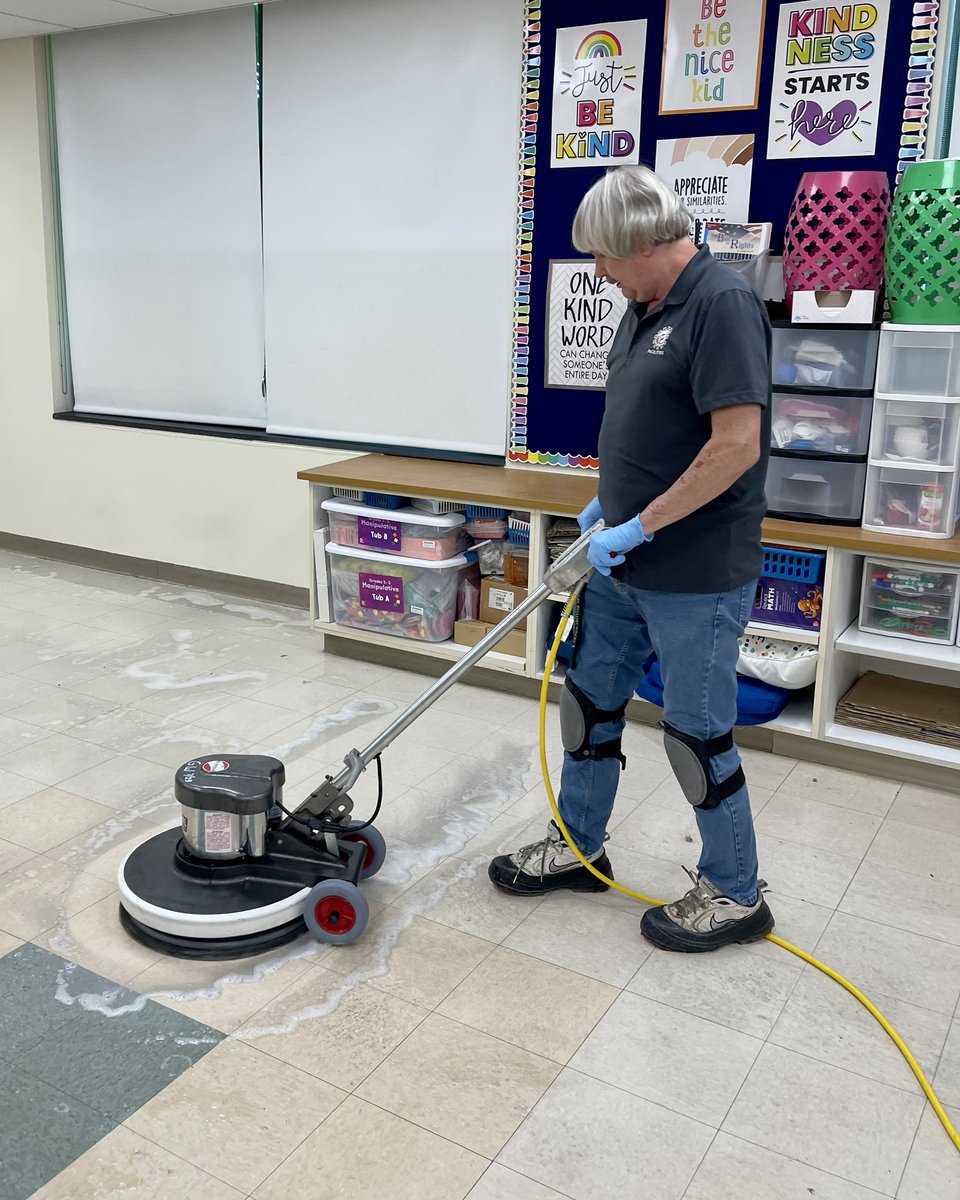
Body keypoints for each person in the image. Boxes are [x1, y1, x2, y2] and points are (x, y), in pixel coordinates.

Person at [488, 164, 775, 952]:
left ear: (646, 241)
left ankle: (735, 892)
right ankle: (579, 849)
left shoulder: (722, 303)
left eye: (607, 258)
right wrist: (607, 515)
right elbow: (651, 427)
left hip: (693, 571)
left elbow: (736, 445)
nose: (599, 273)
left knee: (696, 735)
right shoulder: (643, 307)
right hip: (625, 559)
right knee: (589, 705)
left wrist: (641, 523)